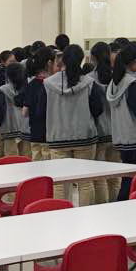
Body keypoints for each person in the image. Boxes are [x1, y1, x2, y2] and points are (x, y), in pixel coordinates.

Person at [44, 44, 107, 204]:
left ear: (62, 60)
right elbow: (97, 109)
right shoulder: (89, 83)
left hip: (57, 136)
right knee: (85, 181)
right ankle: (86, 215)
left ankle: (61, 213)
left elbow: (42, 109)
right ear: (82, 59)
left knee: (60, 183)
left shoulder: (48, 83)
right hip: (85, 136)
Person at [105, 44, 136, 199]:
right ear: (134, 62)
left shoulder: (115, 82)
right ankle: (124, 204)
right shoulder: (130, 83)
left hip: (122, 137)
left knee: (128, 178)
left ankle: (123, 204)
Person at [88, 41, 118, 201]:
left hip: (99, 131)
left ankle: (102, 207)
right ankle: (116, 206)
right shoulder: (118, 77)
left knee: (100, 177)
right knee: (116, 176)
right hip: (117, 131)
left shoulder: (89, 80)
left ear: (93, 58)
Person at [22, 47, 55, 160]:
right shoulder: (52, 85)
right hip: (49, 132)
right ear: (49, 63)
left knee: (36, 161)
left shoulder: (31, 84)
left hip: (35, 132)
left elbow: (24, 112)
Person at [0, 61, 30, 158]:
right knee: (27, 157)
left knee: (11, 158)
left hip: (9, 127)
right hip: (26, 127)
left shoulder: (2, 90)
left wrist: (0, 122)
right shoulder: (28, 88)